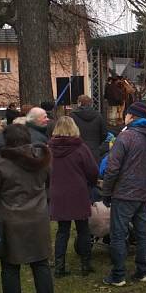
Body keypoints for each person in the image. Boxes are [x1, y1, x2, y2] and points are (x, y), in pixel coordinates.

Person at [0, 125, 54, 293]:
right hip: (37, 218)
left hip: (11, 221)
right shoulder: (42, 158)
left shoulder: (0, 163)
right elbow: (48, 182)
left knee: (11, 267)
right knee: (41, 264)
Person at [100, 101, 146, 287]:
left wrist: (106, 192)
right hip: (143, 192)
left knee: (118, 234)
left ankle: (118, 275)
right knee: (141, 233)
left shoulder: (124, 137)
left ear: (131, 116)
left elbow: (112, 168)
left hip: (124, 193)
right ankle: (143, 272)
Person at [48, 116, 99, 277]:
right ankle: (85, 264)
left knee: (62, 230)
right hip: (78, 191)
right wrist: (90, 183)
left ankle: (59, 266)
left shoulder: (48, 149)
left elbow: (44, 171)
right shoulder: (81, 148)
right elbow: (92, 171)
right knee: (83, 229)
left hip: (58, 192)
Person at [71, 94, 108, 162]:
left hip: (77, 150)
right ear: (90, 104)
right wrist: (97, 143)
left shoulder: (72, 116)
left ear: (79, 103)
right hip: (94, 150)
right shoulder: (98, 116)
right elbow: (104, 133)